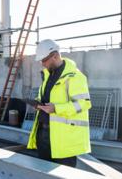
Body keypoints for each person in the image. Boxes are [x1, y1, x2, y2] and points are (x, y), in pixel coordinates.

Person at [26, 39, 92, 167]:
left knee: (64, 174)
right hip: (44, 134)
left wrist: (56, 108)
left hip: (64, 139)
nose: (42, 64)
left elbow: (84, 104)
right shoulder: (47, 75)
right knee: (44, 172)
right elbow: (46, 97)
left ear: (55, 56)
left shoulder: (75, 77)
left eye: (44, 60)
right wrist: (39, 104)